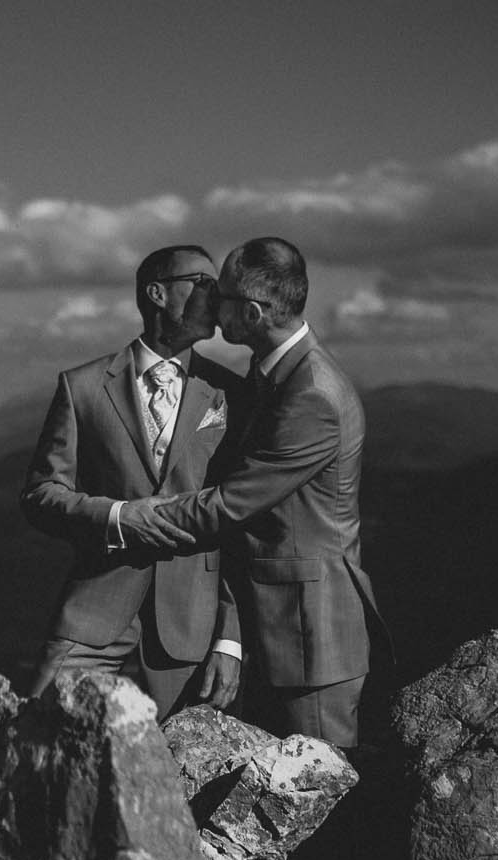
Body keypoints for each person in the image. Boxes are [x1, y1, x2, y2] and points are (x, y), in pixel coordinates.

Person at [119, 236, 389, 747]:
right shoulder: (273, 374)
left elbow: (232, 502)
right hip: (284, 629)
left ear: (253, 313)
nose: (210, 303)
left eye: (219, 294)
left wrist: (137, 516)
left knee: (322, 797)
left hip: (313, 636)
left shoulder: (311, 393)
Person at [19, 243, 248, 719]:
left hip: (193, 625)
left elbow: (241, 523)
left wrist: (229, 637)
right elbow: (41, 495)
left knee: (187, 777)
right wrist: (119, 517)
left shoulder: (232, 392)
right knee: (34, 739)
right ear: (157, 293)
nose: (217, 293)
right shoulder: (81, 386)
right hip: (93, 614)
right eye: (202, 282)